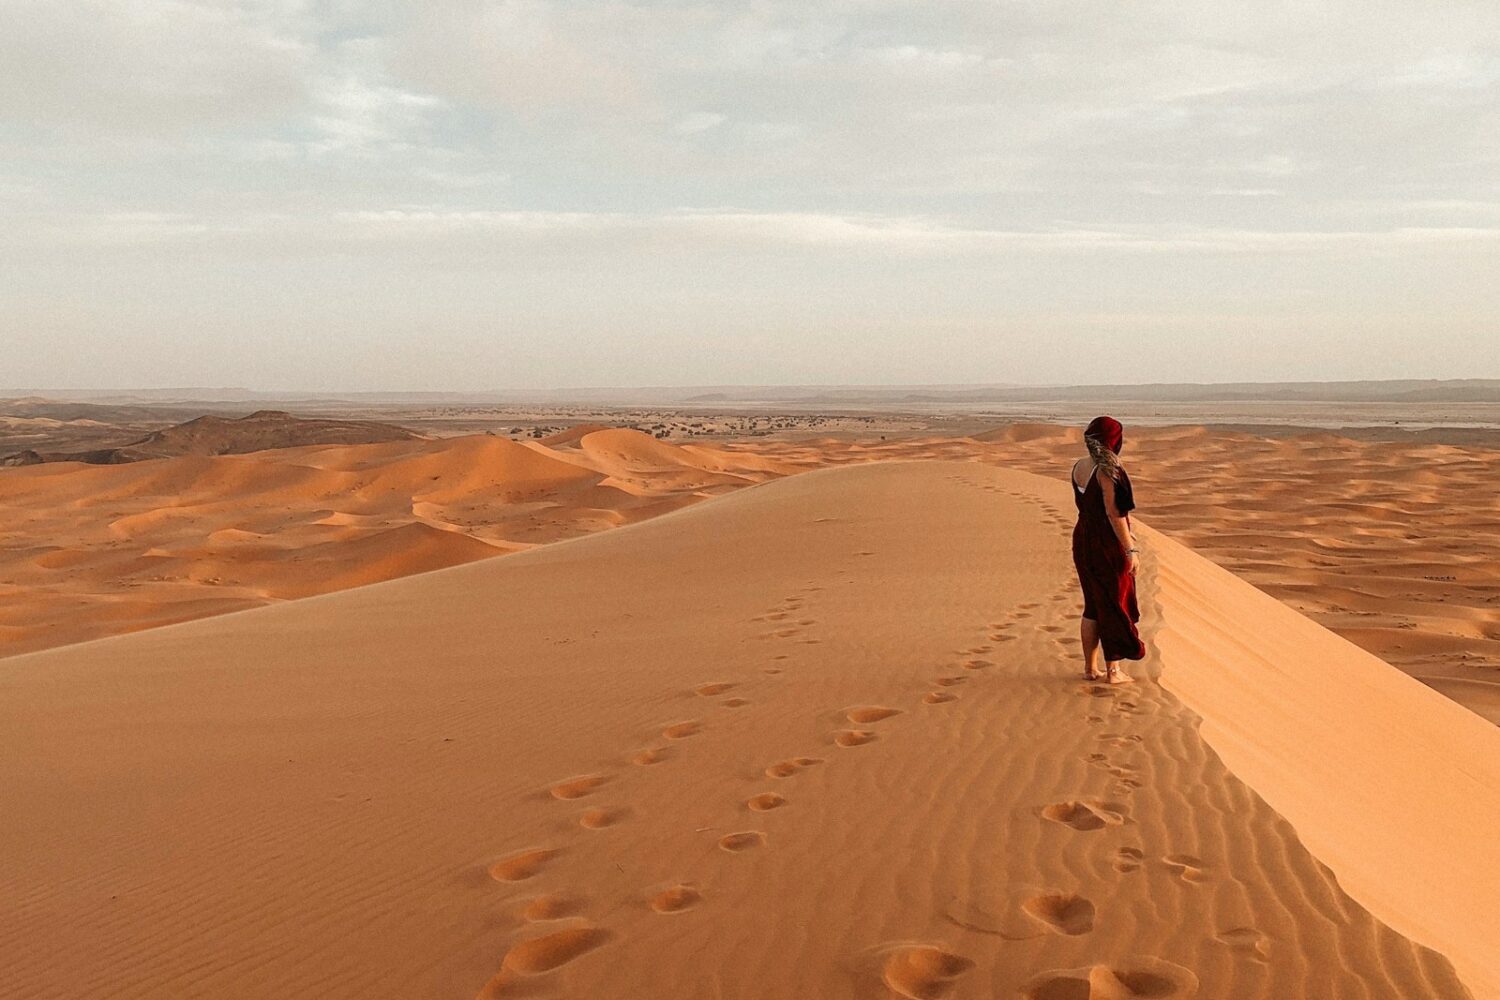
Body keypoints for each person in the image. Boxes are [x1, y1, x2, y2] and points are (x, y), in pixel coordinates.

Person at [1070, 415, 1145, 682]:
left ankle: (1090, 669)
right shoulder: (1108, 471)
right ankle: (1113, 671)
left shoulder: (1079, 466)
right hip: (1106, 543)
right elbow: (1114, 515)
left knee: (1092, 604)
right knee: (1115, 602)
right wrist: (1130, 550)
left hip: (1083, 538)